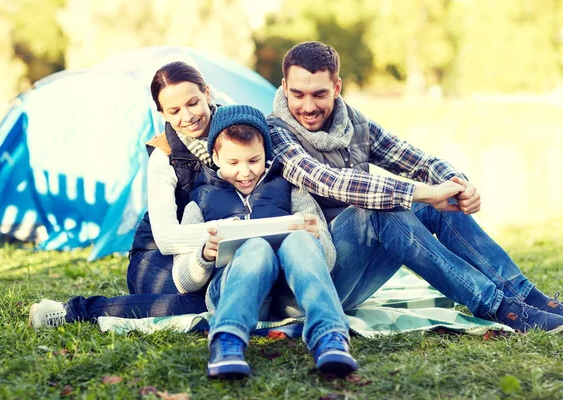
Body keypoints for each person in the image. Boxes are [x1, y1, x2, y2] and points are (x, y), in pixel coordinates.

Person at [267, 41, 563, 334]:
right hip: (305, 286)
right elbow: (327, 180)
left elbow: (417, 160)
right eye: (298, 94)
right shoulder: (274, 132)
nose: (308, 107)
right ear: (283, 86)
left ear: (337, 87)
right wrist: (421, 193)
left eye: (319, 94)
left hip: (354, 277)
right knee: (378, 210)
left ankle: (528, 297)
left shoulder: (355, 124)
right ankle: (500, 308)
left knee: (437, 203)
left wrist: (458, 184)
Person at [29, 61, 225, 327]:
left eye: (193, 103)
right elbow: (166, 238)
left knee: (232, 291)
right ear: (162, 114)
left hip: (216, 254)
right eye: (174, 110)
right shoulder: (162, 156)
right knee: (205, 301)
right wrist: (230, 231)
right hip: (157, 258)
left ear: (208, 94)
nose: (187, 116)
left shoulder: (238, 132)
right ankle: (75, 311)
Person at [172, 104, 357, 378]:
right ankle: (228, 341)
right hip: (230, 292)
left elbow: (327, 260)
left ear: (267, 154)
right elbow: (182, 281)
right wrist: (205, 255)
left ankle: (329, 337)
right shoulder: (199, 201)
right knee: (256, 247)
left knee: (299, 240)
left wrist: (315, 237)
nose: (245, 172)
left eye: (253, 160)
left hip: (289, 297)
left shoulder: (291, 188)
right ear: (215, 156)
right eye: (233, 163)